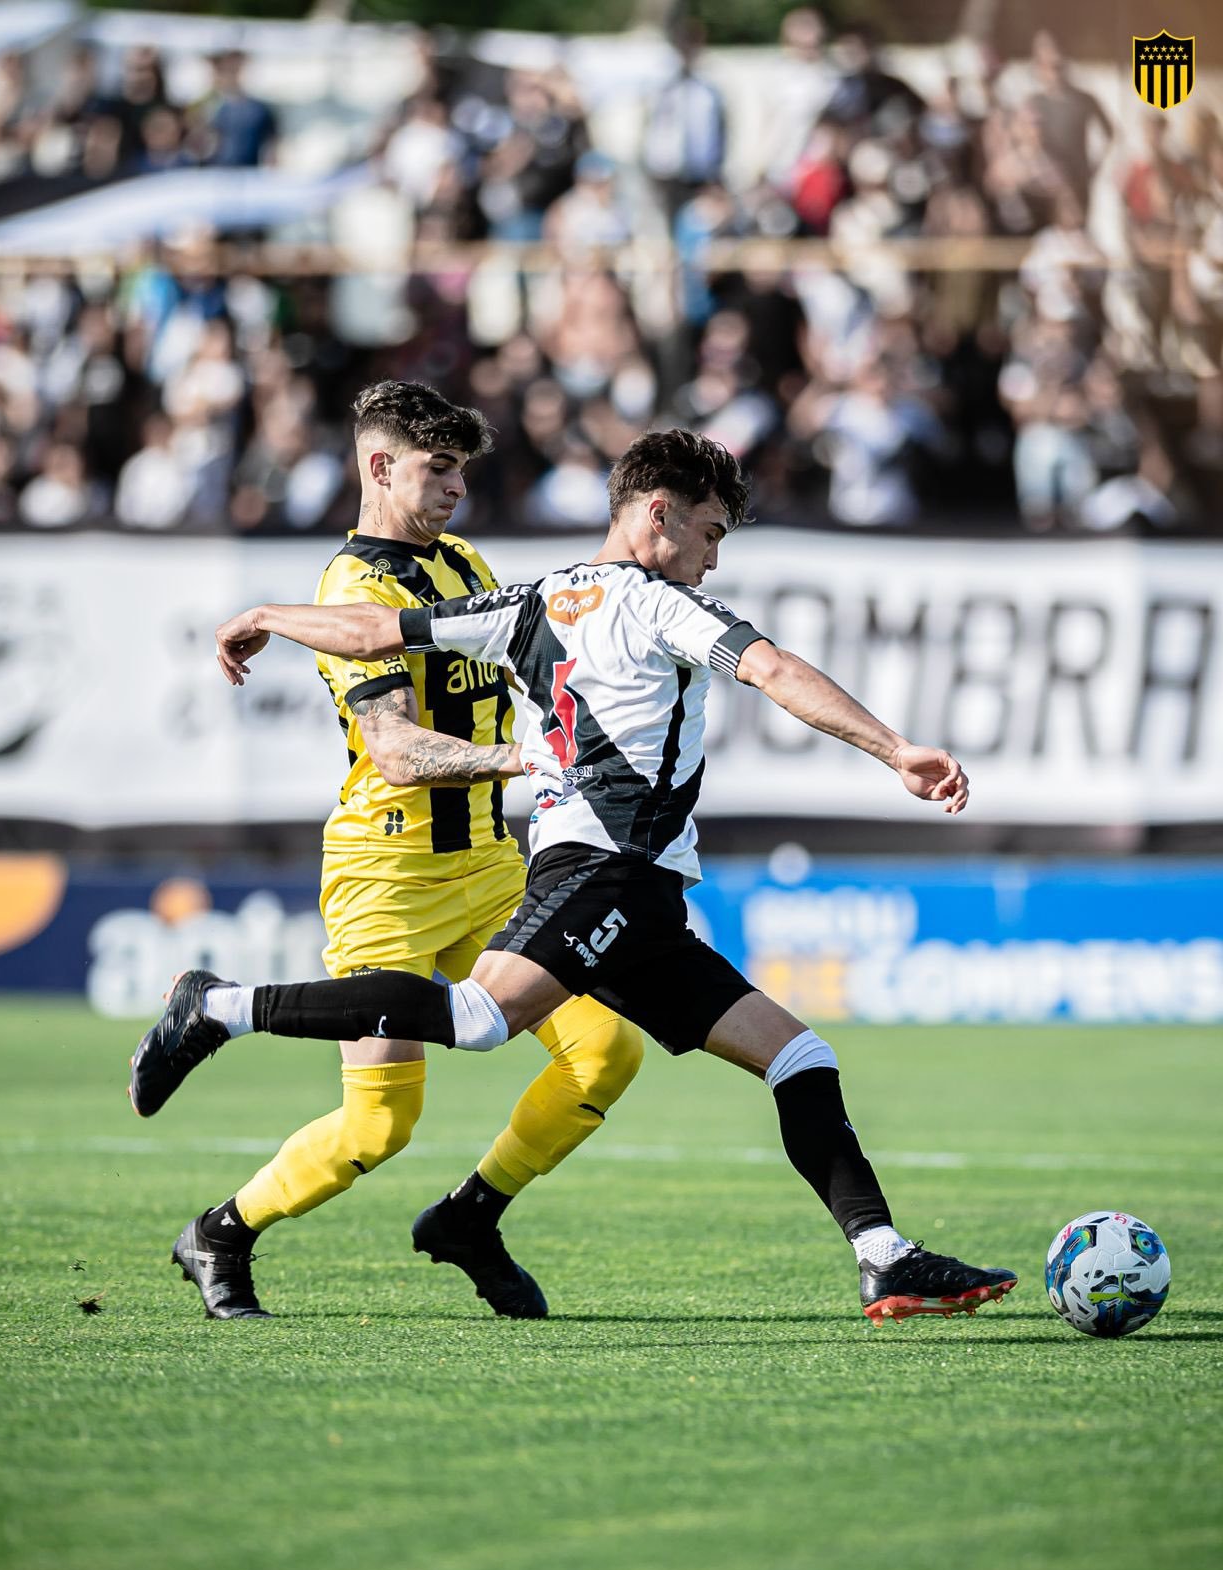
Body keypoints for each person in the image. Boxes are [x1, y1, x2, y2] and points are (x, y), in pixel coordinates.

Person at [137, 428, 1018, 1327]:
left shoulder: (535, 598)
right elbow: (775, 669)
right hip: (603, 874)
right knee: (478, 1023)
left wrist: (265, 617)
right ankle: (216, 1008)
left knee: (796, 1054)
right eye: (710, 535)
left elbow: (371, 634)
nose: (711, 563)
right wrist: (896, 748)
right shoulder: (656, 602)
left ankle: (884, 1257)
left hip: (641, 900)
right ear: (657, 513)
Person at [131, 381, 643, 1320]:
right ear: (379, 466)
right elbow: (400, 755)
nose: (455, 488)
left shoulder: (462, 561)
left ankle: (472, 1218)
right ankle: (221, 1232)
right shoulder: (351, 589)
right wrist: (526, 757)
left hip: (490, 866)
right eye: (437, 468)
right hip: (390, 871)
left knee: (605, 1051)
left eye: (461, 470)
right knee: (380, 1126)